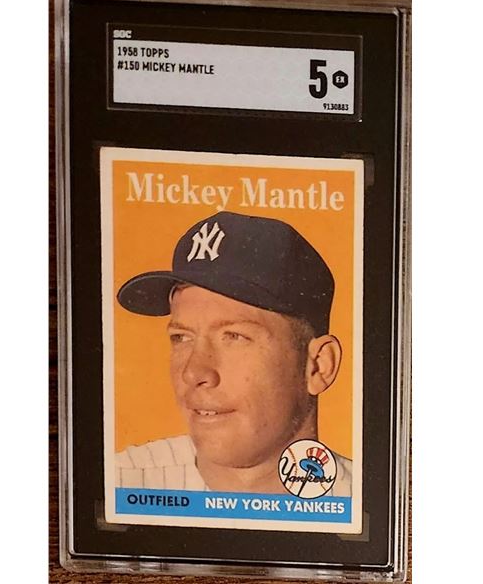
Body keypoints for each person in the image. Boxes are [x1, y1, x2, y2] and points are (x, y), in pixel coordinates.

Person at [114, 211, 352, 496]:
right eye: (181, 337)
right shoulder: (117, 483)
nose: (194, 372)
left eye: (234, 337)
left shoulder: (369, 502)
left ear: (318, 366)